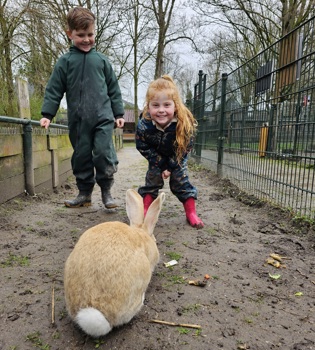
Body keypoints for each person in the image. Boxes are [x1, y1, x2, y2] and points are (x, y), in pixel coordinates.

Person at [40, 7, 125, 209]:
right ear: (70, 34)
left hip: (103, 117)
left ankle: (106, 192)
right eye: (80, 35)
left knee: (103, 153)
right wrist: (47, 114)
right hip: (78, 121)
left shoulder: (102, 61)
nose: (86, 39)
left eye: (90, 34)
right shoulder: (65, 62)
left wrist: (118, 113)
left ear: (94, 33)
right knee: (81, 156)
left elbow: (113, 88)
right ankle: (84, 194)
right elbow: (54, 88)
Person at [136, 75, 204, 229]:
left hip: (177, 155)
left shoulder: (184, 123)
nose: (161, 110)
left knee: (180, 180)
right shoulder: (144, 125)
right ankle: (145, 211)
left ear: (175, 105)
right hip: (155, 156)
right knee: (152, 179)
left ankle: (191, 213)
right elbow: (142, 146)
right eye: (156, 105)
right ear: (148, 106)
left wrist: (170, 167)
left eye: (166, 105)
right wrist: (160, 164)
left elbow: (185, 148)